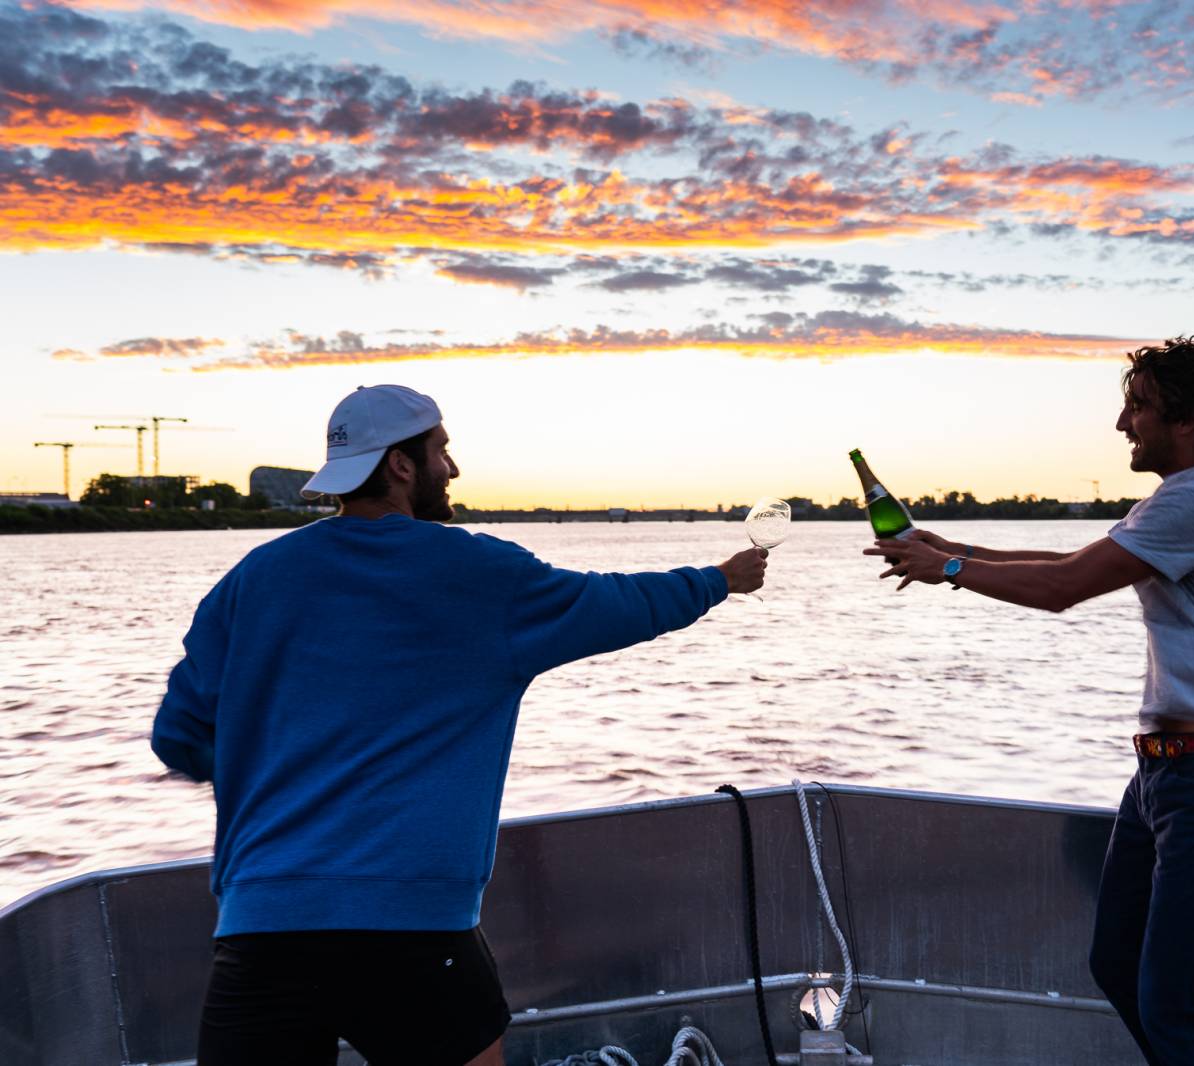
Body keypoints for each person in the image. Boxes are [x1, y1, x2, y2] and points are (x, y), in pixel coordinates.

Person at [152, 384, 767, 1066]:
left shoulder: (253, 579)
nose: (453, 468)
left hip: (262, 929)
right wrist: (719, 579)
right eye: (441, 450)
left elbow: (177, 737)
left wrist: (277, 767)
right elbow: (617, 603)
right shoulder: (477, 573)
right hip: (410, 931)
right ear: (401, 465)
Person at [866, 335, 1194, 1065]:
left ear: (1184, 418)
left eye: (1138, 407)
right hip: (1166, 775)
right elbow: (1068, 563)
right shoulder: (1180, 501)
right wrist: (947, 549)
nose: (1123, 423)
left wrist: (951, 569)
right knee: (1119, 965)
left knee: (1177, 1008)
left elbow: (1062, 589)